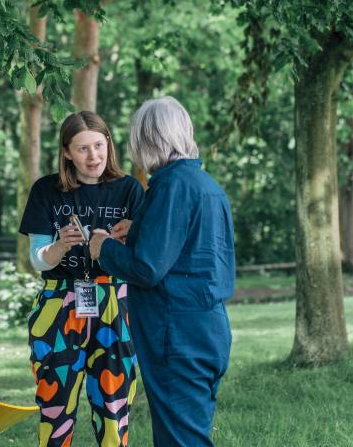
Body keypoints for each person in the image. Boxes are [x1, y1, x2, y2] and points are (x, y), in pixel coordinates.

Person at [89, 96, 235, 446]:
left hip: (177, 334)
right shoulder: (206, 186)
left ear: (148, 139)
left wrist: (103, 248)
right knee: (190, 433)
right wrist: (138, 227)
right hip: (209, 330)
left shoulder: (171, 186)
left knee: (179, 440)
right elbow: (188, 253)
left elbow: (147, 268)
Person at [19, 111, 144, 447]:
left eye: (99, 146)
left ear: (109, 145)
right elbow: (37, 260)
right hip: (58, 303)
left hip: (115, 302)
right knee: (54, 403)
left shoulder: (129, 188)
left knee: (114, 404)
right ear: (66, 153)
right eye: (83, 148)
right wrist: (60, 245)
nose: (94, 156)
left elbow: (145, 254)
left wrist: (130, 237)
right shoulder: (47, 190)